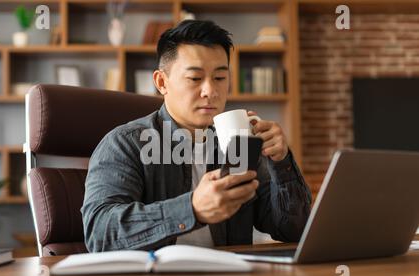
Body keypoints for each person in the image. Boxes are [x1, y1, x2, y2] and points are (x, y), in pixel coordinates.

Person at [81, 20, 312, 252]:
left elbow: (293, 229)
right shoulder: (124, 143)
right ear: (162, 82)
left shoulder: (236, 146)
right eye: (195, 78)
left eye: (220, 78)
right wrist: (191, 209)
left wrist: (281, 162)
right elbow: (100, 235)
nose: (210, 91)